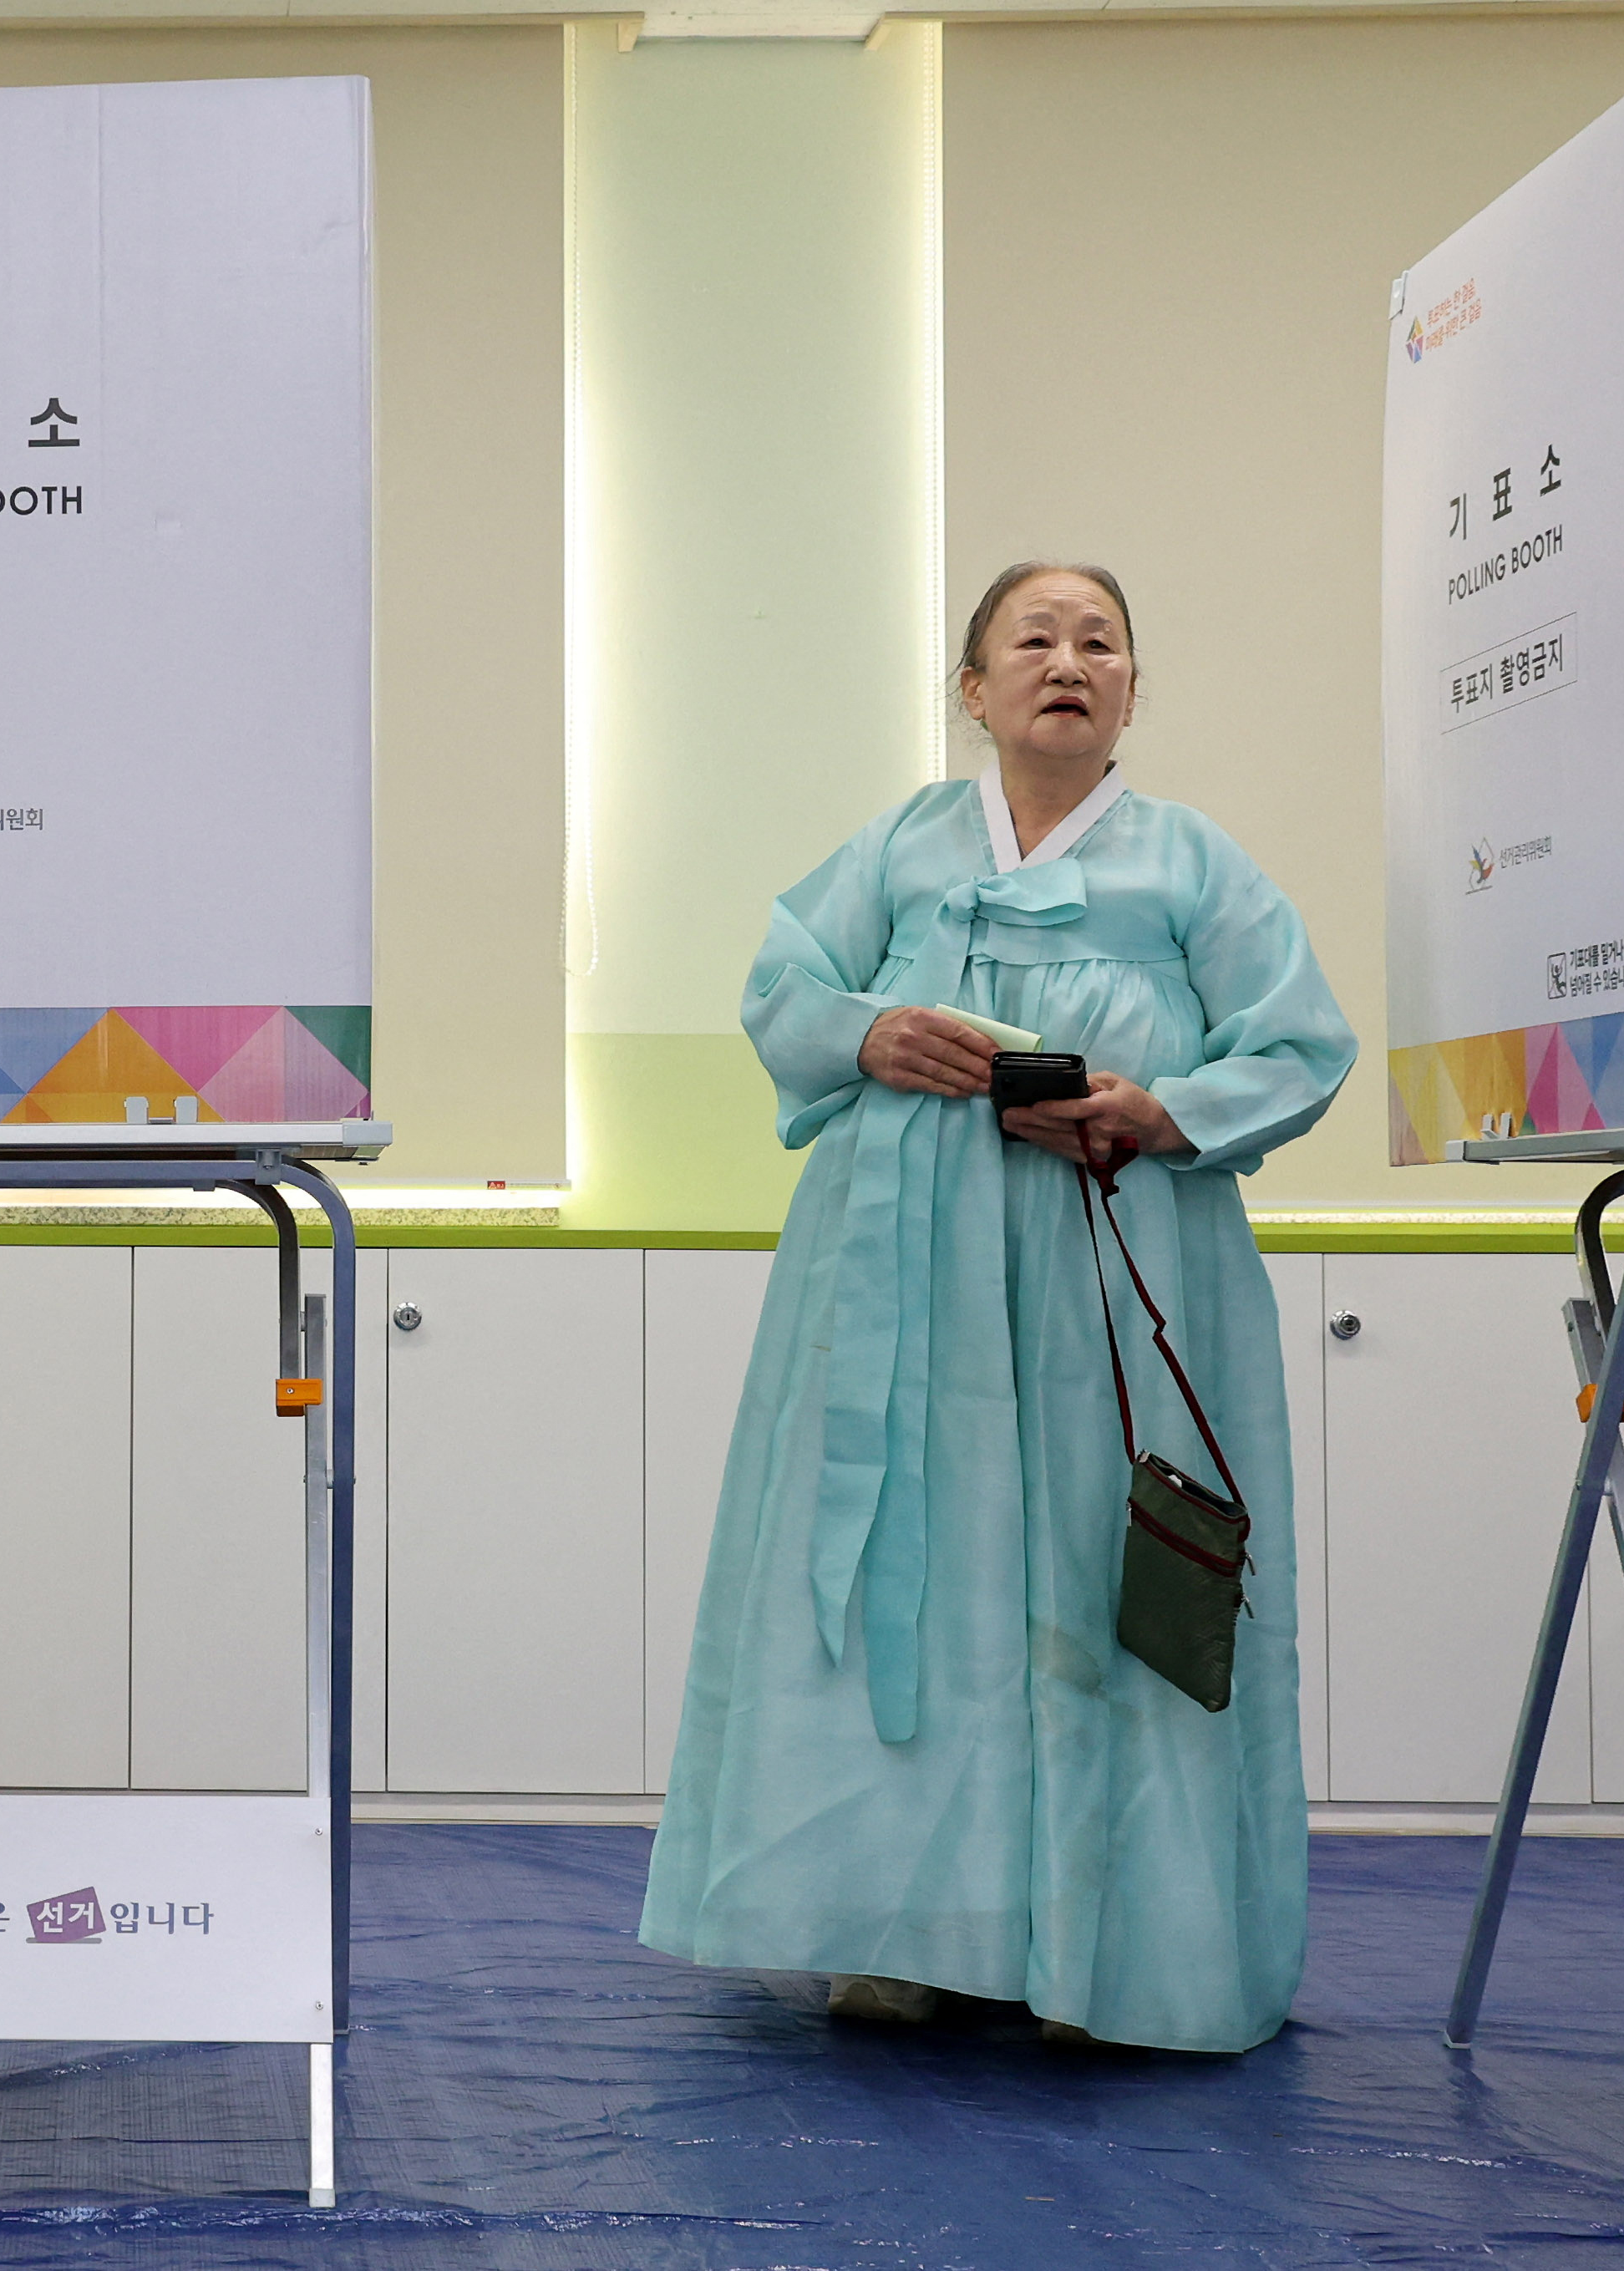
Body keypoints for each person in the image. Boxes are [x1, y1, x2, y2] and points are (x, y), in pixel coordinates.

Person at [639, 561, 1353, 2050]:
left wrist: (1158, 1110)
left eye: (1100, 642)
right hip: (901, 1274)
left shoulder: (1192, 863)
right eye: (1033, 639)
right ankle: (899, 1931)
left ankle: (1113, 1947)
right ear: (974, 688)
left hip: (1116, 1249)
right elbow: (783, 989)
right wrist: (871, 1032)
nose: (1067, 661)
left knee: (1103, 1567)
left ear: (1132, 692)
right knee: (919, 1559)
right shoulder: (904, 842)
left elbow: (1299, 1043)